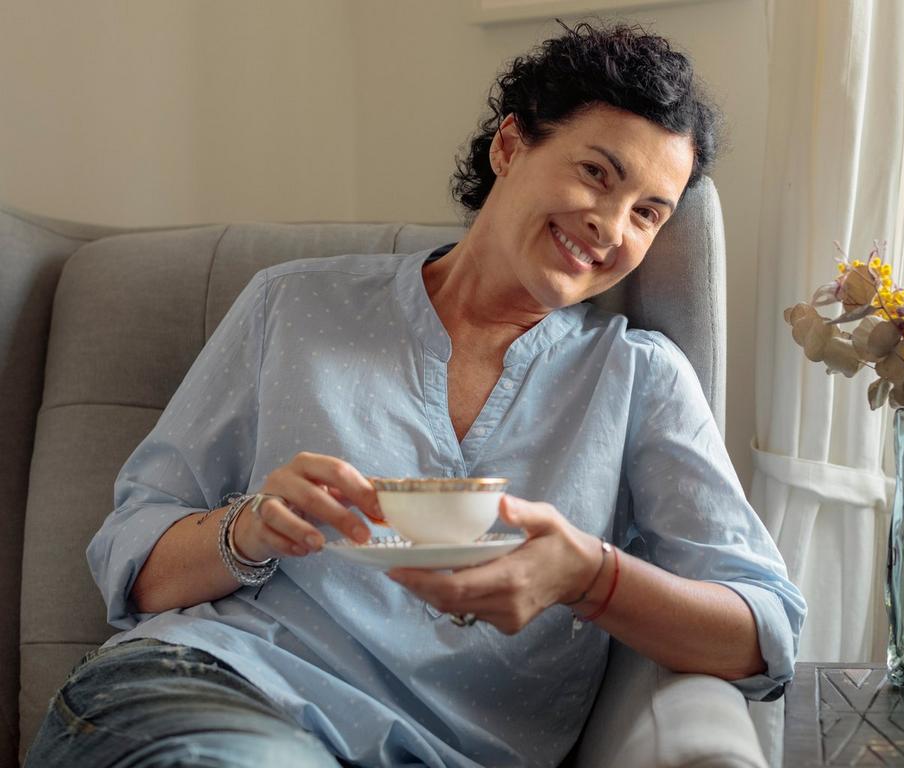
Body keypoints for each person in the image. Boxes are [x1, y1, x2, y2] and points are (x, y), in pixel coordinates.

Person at [27, 21, 805, 768]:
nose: (611, 226)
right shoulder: (293, 306)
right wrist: (257, 526)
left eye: (648, 213)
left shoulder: (639, 378)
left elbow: (763, 631)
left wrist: (588, 576)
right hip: (208, 693)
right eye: (596, 173)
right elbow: (135, 566)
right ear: (509, 145)